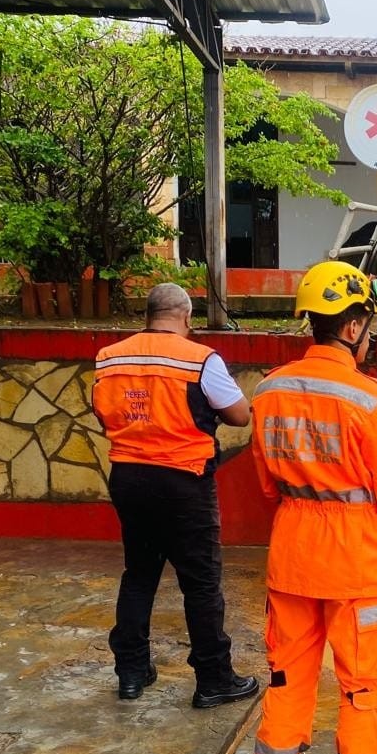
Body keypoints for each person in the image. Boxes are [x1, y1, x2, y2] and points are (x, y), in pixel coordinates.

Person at [244, 260, 377, 754]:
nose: (369, 333)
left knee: (286, 675)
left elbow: (266, 486)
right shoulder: (367, 398)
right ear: (351, 327)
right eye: (366, 323)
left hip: (293, 552)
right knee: (362, 686)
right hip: (353, 560)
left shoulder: (268, 390)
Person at [93, 282, 259, 708]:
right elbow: (239, 416)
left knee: (139, 575)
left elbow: (103, 413)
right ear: (186, 317)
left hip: (129, 478)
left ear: (147, 316)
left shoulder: (111, 358)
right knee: (201, 583)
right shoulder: (200, 358)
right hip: (184, 482)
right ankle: (213, 678)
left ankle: (131, 673)